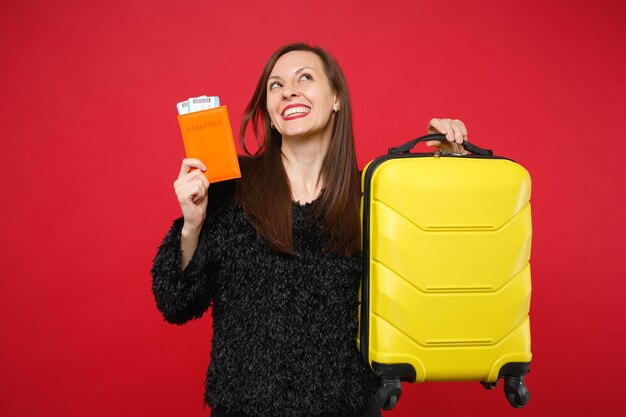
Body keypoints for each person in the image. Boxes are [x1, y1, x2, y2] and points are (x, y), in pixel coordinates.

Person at [151, 43, 469, 417]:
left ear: (335, 98)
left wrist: (453, 173)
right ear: (270, 115)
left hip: (348, 408)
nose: (289, 91)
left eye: (305, 78)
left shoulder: (374, 194)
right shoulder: (229, 186)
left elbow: (431, 288)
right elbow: (175, 303)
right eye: (276, 85)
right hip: (244, 409)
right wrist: (192, 223)